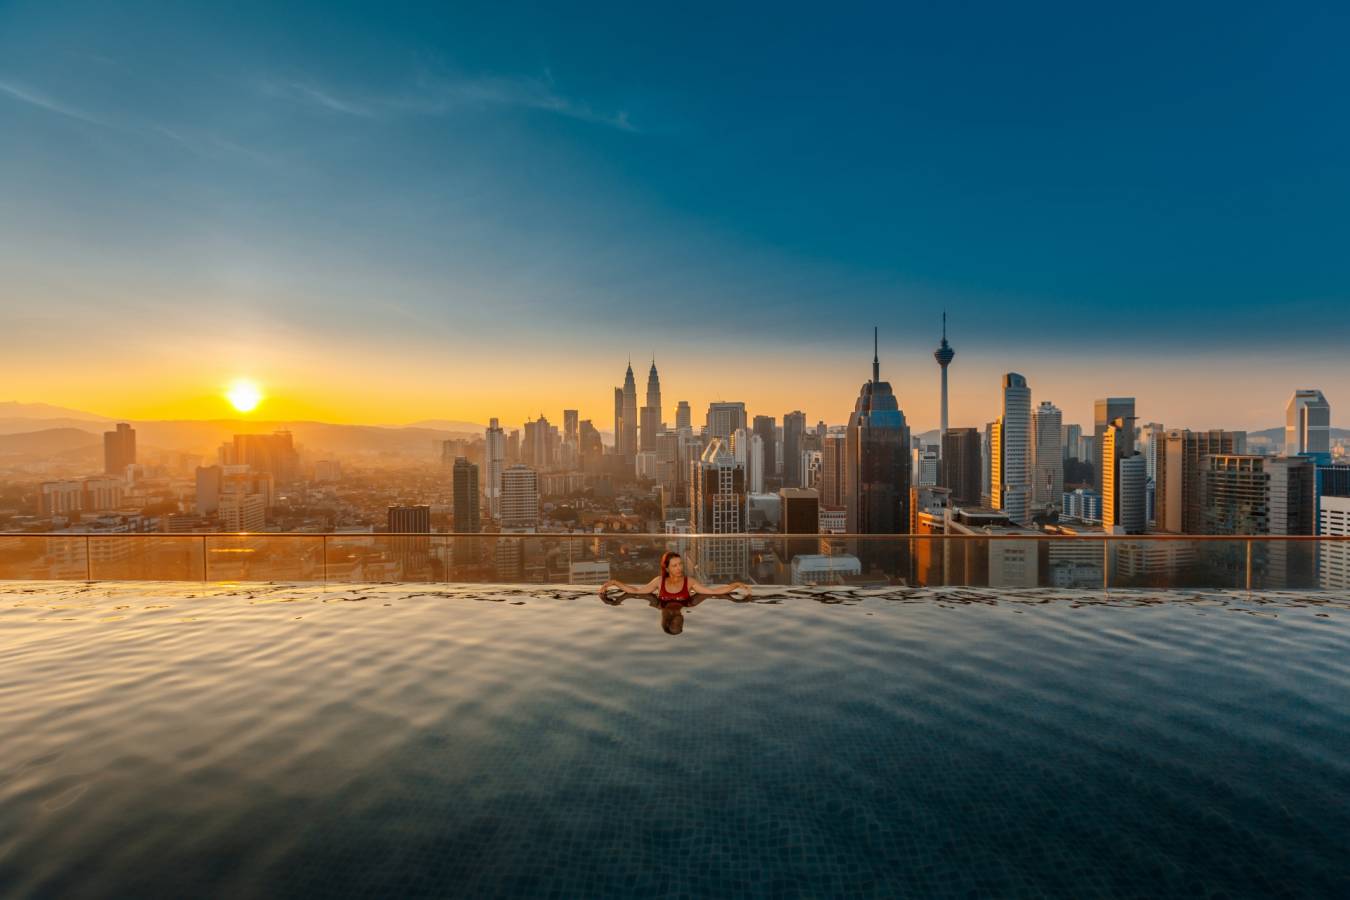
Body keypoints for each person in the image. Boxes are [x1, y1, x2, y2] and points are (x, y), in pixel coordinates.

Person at [598, 551, 750, 635]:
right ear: (667, 568)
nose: (679, 568)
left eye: (680, 564)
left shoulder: (688, 582)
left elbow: (712, 592)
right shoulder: (659, 582)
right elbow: (637, 591)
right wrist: (615, 582)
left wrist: (735, 585)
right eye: (675, 565)